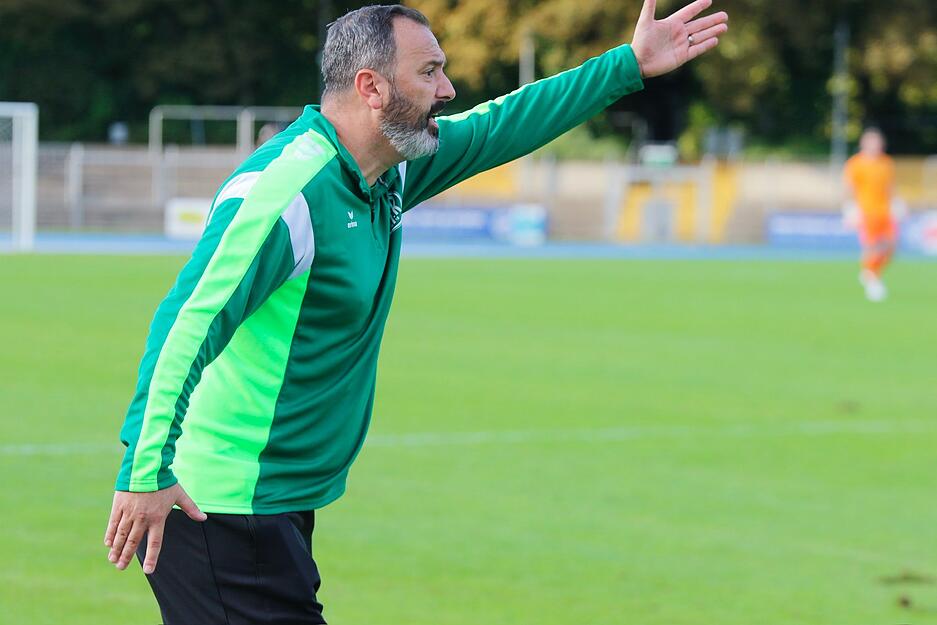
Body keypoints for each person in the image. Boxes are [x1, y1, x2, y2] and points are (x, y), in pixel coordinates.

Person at [104, 2, 728, 623]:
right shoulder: (286, 195)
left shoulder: (388, 171)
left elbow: (501, 124)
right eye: (429, 72)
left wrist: (630, 65)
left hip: (275, 501)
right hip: (219, 507)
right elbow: (188, 324)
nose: (448, 89)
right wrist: (144, 469)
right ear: (371, 88)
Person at [843, 127, 900, 301]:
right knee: (872, 246)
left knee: (891, 245)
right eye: (870, 141)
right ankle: (871, 278)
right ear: (863, 143)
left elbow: (890, 187)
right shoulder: (855, 163)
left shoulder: (886, 162)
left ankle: (870, 272)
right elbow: (849, 188)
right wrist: (850, 209)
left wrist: (897, 203)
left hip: (885, 211)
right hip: (867, 212)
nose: (874, 144)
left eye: (877, 141)